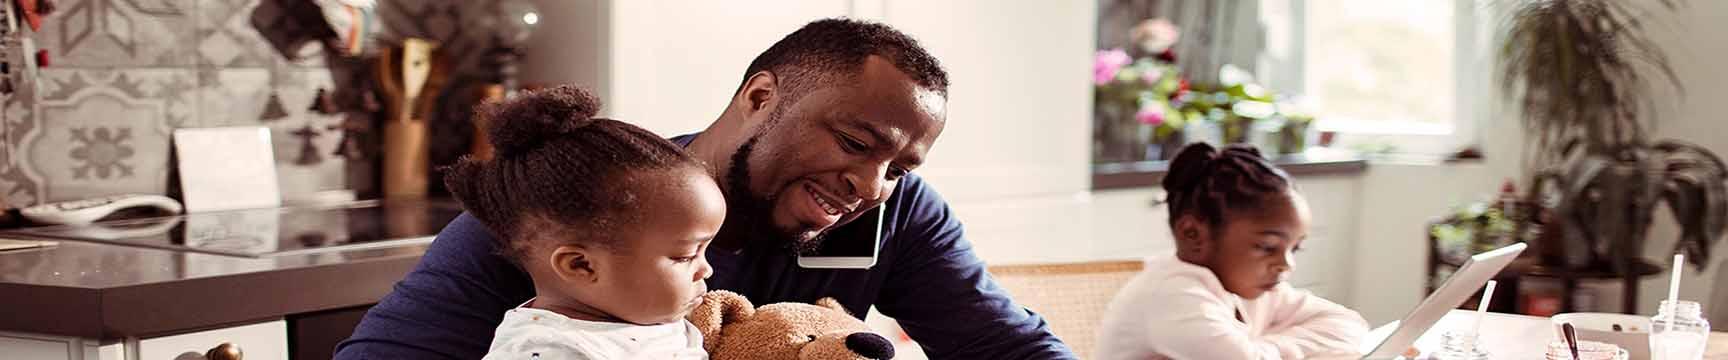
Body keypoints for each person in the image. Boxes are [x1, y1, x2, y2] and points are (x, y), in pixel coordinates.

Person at [335, 18, 1077, 359]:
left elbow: (1009, 350)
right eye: (855, 144)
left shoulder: (902, 217)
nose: (872, 187)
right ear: (760, 97)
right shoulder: (579, 206)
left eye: (900, 168)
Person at [443, 86, 722, 359]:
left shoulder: (653, 318)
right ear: (581, 265)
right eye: (685, 256)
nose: (706, 269)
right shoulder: (551, 350)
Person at [1094, 143, 1368, 360]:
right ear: (1193, 234)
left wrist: (1264, 347)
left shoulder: (1254, 289)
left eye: (1295, 248)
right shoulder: (1172, 295)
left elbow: (1349, 324)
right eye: (1267, 247)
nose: (1286, 264)